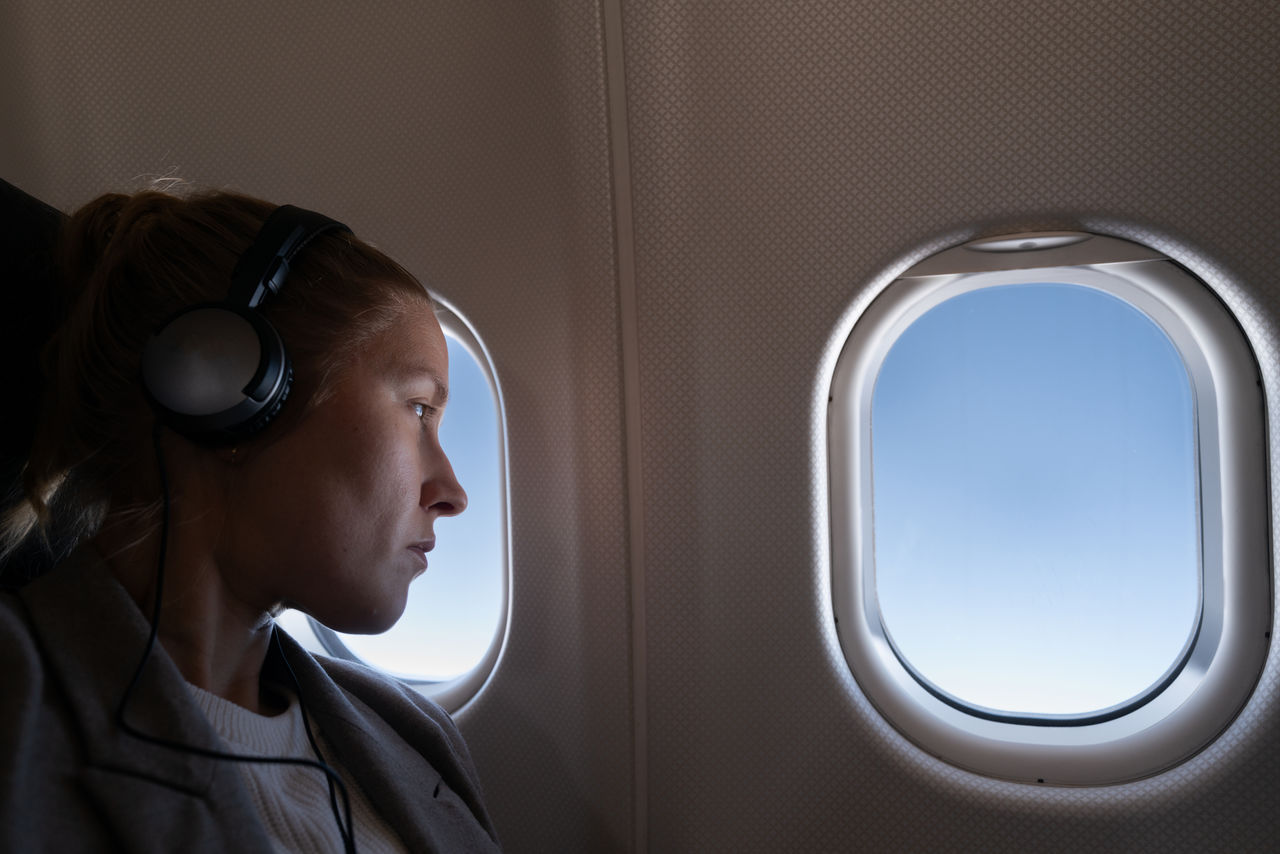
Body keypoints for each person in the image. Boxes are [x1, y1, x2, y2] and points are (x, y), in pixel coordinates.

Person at [0, 188, 502, 853]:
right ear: (225, 389)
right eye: (418, 410)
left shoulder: (411, 732)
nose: (452, 493)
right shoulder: (17, 710)